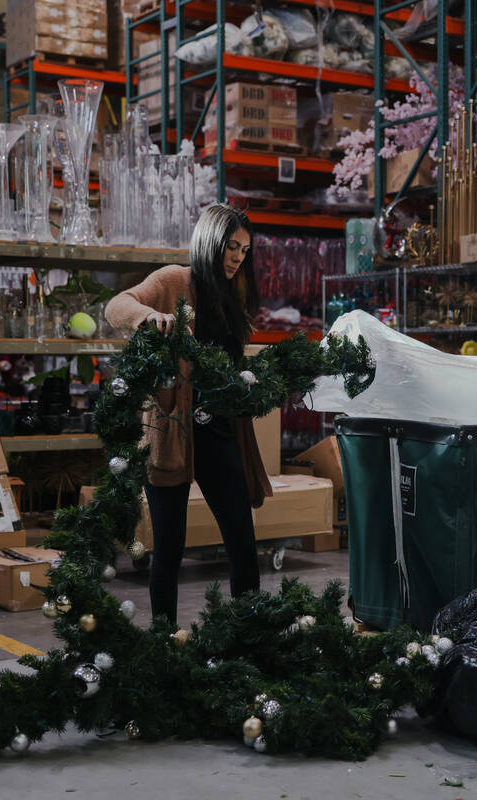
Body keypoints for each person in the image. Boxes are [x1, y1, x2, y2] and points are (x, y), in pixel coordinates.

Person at [105, 203, 272, 626]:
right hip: (171, 432)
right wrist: (151, 317)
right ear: (210, 242)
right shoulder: (175, 280)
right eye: (231, 246)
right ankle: (165, 641)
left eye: (244, 250)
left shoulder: (231, 300)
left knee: (242, 540)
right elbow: (116, 307)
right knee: (169, 549)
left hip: (219, 433)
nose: (237, 257)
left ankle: (249, 635)